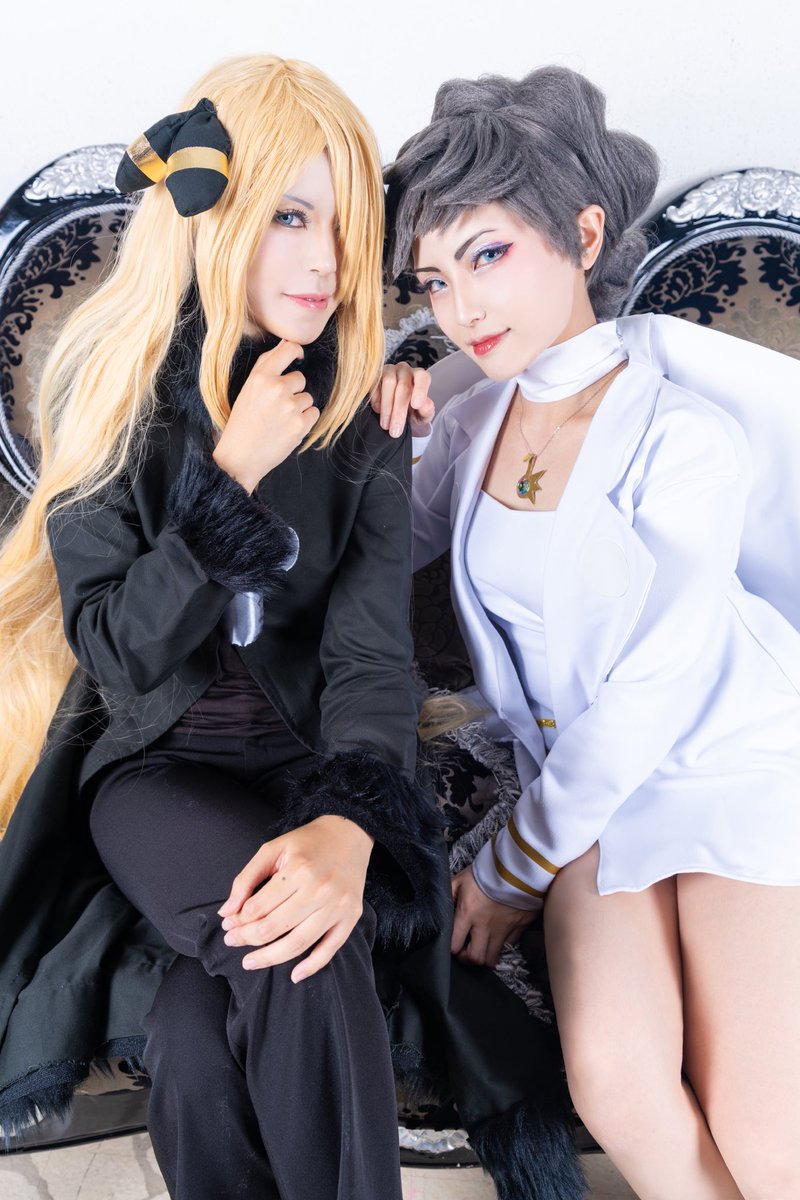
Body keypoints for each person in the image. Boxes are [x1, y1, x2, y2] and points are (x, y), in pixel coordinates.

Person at [0, 55, 453, 1200]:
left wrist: (350, 821)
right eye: (290, 216)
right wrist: (230, 481)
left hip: (307, 765)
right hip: (155, 770)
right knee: (295, 947)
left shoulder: (364, 410)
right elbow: (117, 651)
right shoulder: (112, 391)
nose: (326, 260)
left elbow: (369, 659)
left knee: (198, 1043)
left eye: (346, 225)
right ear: (215, 214)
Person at [380, 65, 800, 1200]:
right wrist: (374, 439)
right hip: (583, 791)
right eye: (435, 279)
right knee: (616, 1081)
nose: (461, 308)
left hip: (730, 763)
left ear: (582, 231)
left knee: (768, 1141)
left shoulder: (682, 433)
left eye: (487, 254)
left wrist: (513, 864)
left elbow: (657, 681)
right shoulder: (468, 423)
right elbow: (356, 558)